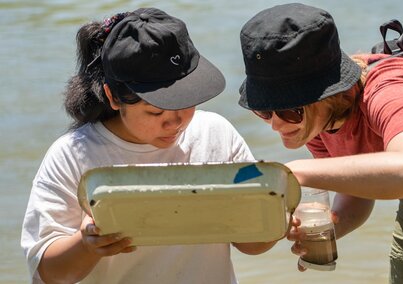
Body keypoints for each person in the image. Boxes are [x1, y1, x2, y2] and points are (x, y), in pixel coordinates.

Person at [238, 3, 403, 283]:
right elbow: (358, 190)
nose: (276, 124)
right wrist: (332, 226)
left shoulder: (392, 92)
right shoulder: (316, 121)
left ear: (327, 96)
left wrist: (295, 172)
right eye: (264, 110)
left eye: (289, 111)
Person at [21, 7, 275, 284]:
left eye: (186, 103)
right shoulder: (73, 154)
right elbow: (47, 271)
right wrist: (86, 246)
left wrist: (275, 218)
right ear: (113, 98)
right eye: (156, 112)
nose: (175, 122)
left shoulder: (216, 133)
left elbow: (252, 244)